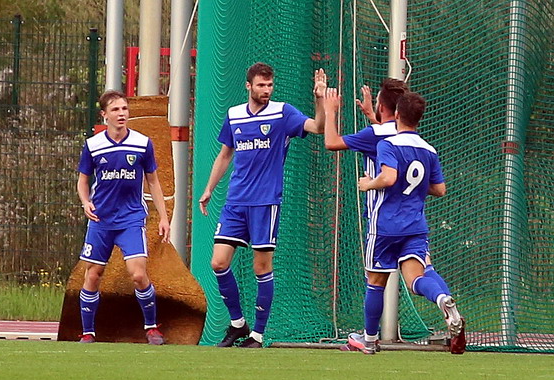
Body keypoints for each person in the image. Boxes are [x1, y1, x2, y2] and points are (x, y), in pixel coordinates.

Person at [324, 80, 463, 354]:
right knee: (416, 279)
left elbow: (387, 176)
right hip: (415, 226)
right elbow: (439, 189)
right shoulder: (428, 148)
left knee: (375, 282)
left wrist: (369, 183)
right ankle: (442, 299)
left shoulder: (384, 142)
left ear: (395, 111)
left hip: (385, 224)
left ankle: (369, 340)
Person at [199, 62, 327, 348]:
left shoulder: (283, 113)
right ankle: (237, 324)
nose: (266, 90)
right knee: (218, 262)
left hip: (265, 202)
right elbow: (225, 154)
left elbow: (318, 127)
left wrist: (319, 99)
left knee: (261, 268)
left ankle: (257, 335)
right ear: (249, 86)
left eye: (269, 85)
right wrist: (209, 188)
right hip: (235, 201)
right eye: (261, 85)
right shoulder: (234, 115)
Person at [76, 90, 171, 344]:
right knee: (93, 274)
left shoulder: (142, 143)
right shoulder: (93, 145)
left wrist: (163, 217)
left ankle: (151, 328)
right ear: (104, 115)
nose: (121, 114)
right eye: (115, 110)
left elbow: (153, 181)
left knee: (138, 274)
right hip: (101, 220)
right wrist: (86, 202)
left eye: (124, 109)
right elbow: (83, 181)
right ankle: (88, 332)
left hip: (131, 219)